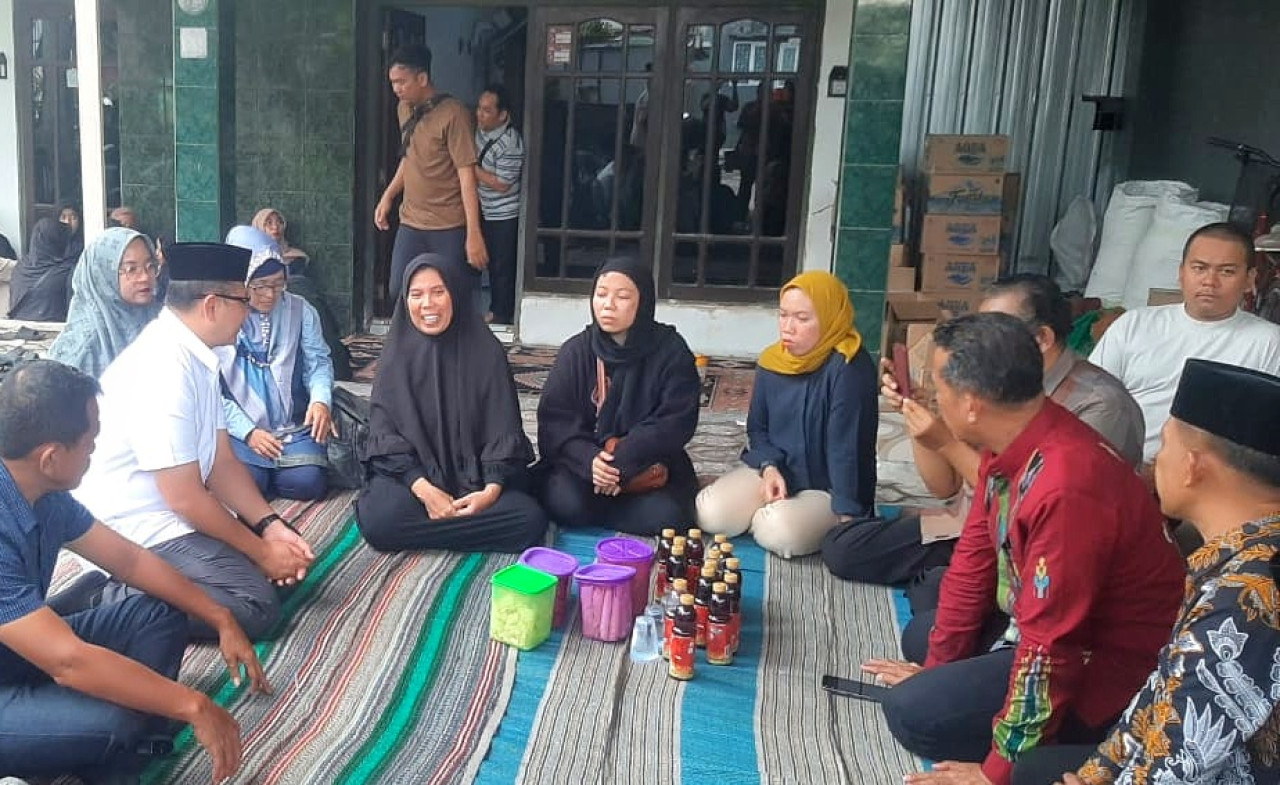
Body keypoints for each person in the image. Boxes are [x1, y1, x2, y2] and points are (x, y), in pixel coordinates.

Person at [858, 313, 1184, 785]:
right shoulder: (1017, 435)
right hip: (1042, 620)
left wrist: (996, 771)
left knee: (912, 713)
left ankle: (1063, 747)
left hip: (1108, 667)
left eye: (938, 388)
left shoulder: (1066, 485)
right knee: (925, 638)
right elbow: (974, 560)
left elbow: (1052, 647)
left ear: (971, 404)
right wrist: (937, 668)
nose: (933, 399)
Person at [1010, 359, 1280, 785]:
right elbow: (1160, 698)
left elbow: (1183, 763)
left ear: (1193, 466)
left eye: (1165, 444)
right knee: (1034, 770)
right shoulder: (1240, 555)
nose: (1156, 460)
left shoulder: (1244, 599)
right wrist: (1098, 774)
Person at [0, 360, 266, 783]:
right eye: (90, 444)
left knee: (159, 614)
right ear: (50, 458)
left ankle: (91, 739)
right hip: (19, 670)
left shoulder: (42, 491)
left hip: (18, 650)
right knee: (114, 722)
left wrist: (220, 616)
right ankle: (96, 742)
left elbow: (129, 560)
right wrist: (191, 704)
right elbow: (68, 662)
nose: (94, 452)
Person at [824, 274, 1144, 587]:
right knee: (845, 545)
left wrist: (947, 443)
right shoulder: (997, 384)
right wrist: (920, 416)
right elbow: (946, 487)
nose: (978, 344)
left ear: (1042, 338)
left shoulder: (1101, 404)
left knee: (934, 596)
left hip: (1037, 556)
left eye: (994, 329)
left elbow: (1034, 509)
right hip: (974, 524)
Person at [72, 243, 315, 641]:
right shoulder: (164, 367)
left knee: (288, 565)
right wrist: (261, 553)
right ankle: (106, 598)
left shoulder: (197, 354)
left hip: (172, 515)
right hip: (134, 530)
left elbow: (221, 462)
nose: (250, 312)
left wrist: (269, 526)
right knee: (255, 606)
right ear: (212, 306)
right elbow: (183, 497)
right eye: (244, 301)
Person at [356, 254, 547, 553]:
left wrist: (490, 493)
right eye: (416, 295)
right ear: (405, 301)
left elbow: (503, 430)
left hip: (478, 484)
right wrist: (424, 490)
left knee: (529, 519)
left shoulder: (486, 352)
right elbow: (385, 435)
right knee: (379, 520)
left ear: (455, 294)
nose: (427, 304)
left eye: (438, 292)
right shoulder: (396, 357)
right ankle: (465, 527)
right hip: (415, 484)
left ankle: (439, 526)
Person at [697, 271, 877, 557]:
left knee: (779, 531)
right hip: (779, 472)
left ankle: (778, 517)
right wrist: (769, 467)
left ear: (829, 318)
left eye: (802, 319)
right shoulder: (773, 361)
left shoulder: (848, 368)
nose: (788, 327)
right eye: (783, 315)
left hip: (828, 489)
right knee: (711, 513)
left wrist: (848, 518)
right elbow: (758, 429)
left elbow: (847, 449)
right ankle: (772, 511)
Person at [1091, 222, 1280, 472]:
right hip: (1119, 470)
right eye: (1199, 268)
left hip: (1209, 481)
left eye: (1226, 272)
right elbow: (1092, 401)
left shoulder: (1269, 342)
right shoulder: (1134, 324)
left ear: (1249, 280)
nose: (1209, 281)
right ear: (1181, 273)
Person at [537, 258, 700, 536]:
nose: (608, 305)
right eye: (601, 294)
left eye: (622, 297)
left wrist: (622, 460)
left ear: (643, 302)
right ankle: (610, 507)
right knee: (565, 500)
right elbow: (555, 423)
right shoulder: (576, 352)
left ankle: (600, 508)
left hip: (646, 464)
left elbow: (674, 421)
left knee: (668, 515)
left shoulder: (671, 351)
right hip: (587, 467)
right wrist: (591, 460)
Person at [217, 226, 335, 501]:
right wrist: (248, 432)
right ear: (240, 283)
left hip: (291, 425)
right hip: (237, 426)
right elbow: (210, 389)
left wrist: (321, 400)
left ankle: (273, 473)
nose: (270, 294)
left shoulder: (301, 309)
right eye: (259, 286)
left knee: (308, 482)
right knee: (249, 481)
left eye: (278, 284)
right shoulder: (220, 314)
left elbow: (318, 363)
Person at [374, 45, 489, 301]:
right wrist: (388, 196)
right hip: (411, 221)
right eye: (393, 82)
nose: (396, 89)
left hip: (448, 225)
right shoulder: (404, 109)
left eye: (401, 82)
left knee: (449, 295)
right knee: (399, 290)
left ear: (422, 78)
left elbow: (467, 175)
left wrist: (473, 233)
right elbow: (410, 157)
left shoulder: (454, 114)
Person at [251, 207, 353, 381]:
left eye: (279, 222)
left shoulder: (295, 260)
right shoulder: (240, 304)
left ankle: (339, 365)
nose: (275, 227)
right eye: (268, 223)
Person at [46, 227, 162, 378]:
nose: (145, 277)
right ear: (102, 274)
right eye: (131, 269)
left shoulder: (159, 319)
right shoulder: (82, 350)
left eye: (150, 266)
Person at [474, 84, 524, 326]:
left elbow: (502, 184)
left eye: (486, 110)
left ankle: (501, 313)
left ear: (502, 115)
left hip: (504, 214)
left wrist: (469, 168)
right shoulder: (480, 131)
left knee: (501, 266)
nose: (479, 114)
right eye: (479, 108)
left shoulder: (510, 143)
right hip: (483, 208)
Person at [8, 217, 74, 321]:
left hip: (18, 327)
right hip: (53, 329)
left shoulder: (20, 267)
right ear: (59, 241)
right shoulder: (66, 272)